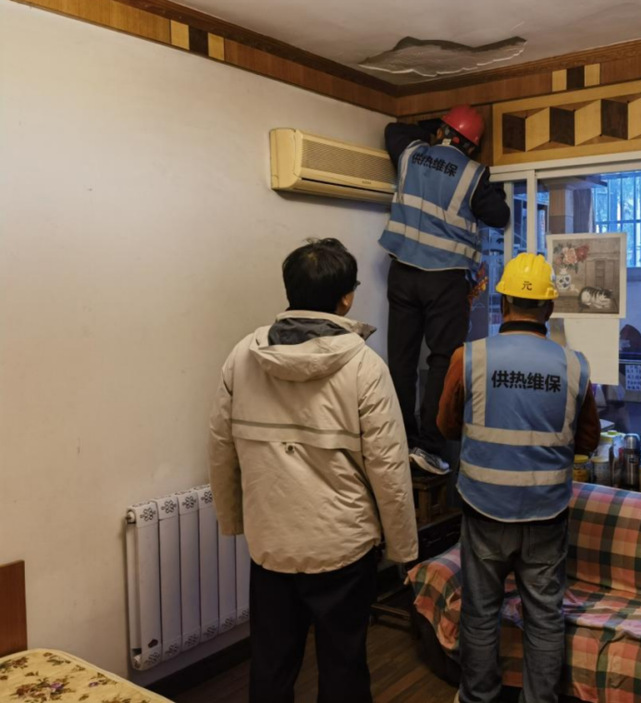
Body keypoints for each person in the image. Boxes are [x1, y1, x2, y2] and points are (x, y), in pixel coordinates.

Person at [208, 238, 419, 703]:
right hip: (343, 546)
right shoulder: (364, 366)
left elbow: (221, 447)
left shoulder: (242, 355)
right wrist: (403, 547)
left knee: (271, 664)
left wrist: (234, 519)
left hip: (271, 543)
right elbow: (388, 466)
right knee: (343, 665)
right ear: (346, 297)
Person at [437, 253, 601, 703]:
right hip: (547, 512)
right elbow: (588, 440)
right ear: (549, 307)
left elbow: (446, 426)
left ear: (503, 302)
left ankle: (478, 697)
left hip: (483, 508)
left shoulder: (469, 357)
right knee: (544, 616)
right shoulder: (575, 365)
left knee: (480, 612)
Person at [380, 105, 511, 476]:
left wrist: (427, 131)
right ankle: (429, 447)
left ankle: (401, 439)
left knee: (401, 360)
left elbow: (393, 129)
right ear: (472, 146)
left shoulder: (411, 154)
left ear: (441, 132)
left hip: (403, 272)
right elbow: (500, 216)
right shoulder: (473, 174)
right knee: (441, 360)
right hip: (445, 278)